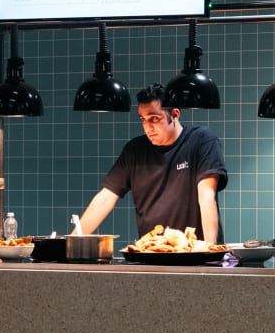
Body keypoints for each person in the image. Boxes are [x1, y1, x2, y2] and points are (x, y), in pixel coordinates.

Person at [77, 83, 227, 244]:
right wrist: (71, 243)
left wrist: (209, 250)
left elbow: (206, 197)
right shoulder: (134, 150)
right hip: (153, 254)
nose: (148, 127)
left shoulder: (202, 140)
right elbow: (105, 198)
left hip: (195, 254)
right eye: (143, 119)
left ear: (175, 115)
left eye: (154, 118)